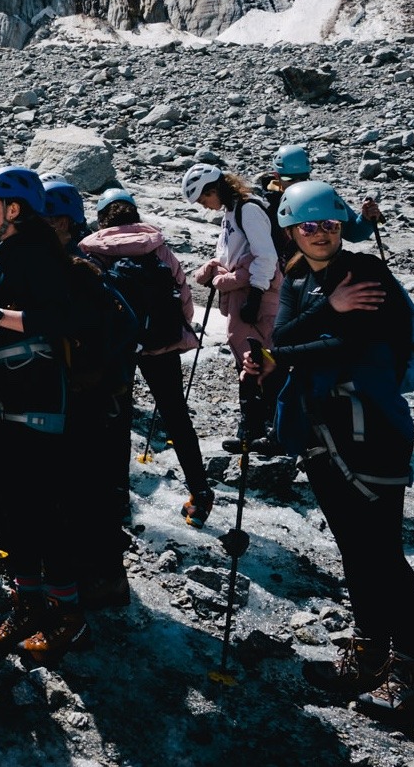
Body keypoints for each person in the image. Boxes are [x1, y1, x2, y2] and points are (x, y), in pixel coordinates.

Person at [248, 180, 414, 724]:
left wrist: (298, 340)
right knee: (356, 550)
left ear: (342, 225)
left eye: (330, 223)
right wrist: (327, 310)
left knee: (382, 554)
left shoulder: (368, 273)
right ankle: (370, 652)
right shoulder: (299, 278)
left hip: (371, 434)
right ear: (290, 230)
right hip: (320, 434)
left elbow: (351, 346)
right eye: (308, 225)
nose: (320, 233)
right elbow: (281, 344)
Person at [0, 166, 93, 661]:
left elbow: (60, 318)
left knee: (43, 507)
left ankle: (67, 614)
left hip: (35, 396)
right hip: (4, 394)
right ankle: (29, 600)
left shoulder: (36, 254)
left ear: (14, 210)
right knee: (13, 506)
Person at [79, 189, 214, 528]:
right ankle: (200, 493)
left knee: (118, 425)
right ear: (135, 216)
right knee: (177, 417)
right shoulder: (158, 248)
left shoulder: (92, 252)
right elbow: (183, 296)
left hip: (119, 350)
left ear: (101, 218)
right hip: (162, 345)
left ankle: (119, 501)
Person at [38, 179, 139, 609]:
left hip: (91, 400)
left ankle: (106, 580)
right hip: (102, 396)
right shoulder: (78, 262)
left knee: (89, 487)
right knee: (91, 486)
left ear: (59, 222)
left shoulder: (77, 268)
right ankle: (97, 574)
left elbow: (119, 326)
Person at [183, 163, 283, 454]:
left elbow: (266, 256)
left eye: (204, 199)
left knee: (262, 360)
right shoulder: (232, 211)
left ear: (214, 190)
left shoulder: (247, 210)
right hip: (245, 292)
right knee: (248, 361)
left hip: (257, 295)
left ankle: (269, 430)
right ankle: (254, 428)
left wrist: (255, 293)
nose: (205, 206)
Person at [262, 144, 383, 243]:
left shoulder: (322, 196)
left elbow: (354, 234)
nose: (298, 183)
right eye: (290, 179)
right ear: (276, 176)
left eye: (303, 177)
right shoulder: (263, 204)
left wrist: (366, 219)